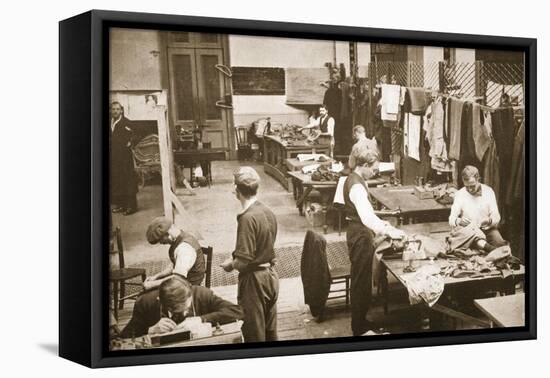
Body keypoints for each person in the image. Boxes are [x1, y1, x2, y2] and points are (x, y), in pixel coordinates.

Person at [343, 144, 405, 336]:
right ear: (364, 165)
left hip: (359, 231)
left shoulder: (355, 179)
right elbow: (367, 218)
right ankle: (359, 327)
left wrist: (384, 225)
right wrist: (391, 232)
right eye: (374, 168)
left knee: (362, 280)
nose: (375, 172)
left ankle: (362, 319)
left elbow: (369, 214)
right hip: (360, 235)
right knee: (361, 281)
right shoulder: (356, 186)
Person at [221, 167, 279, 342]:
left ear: (237, 191)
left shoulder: (247, 218)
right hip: (270, 277)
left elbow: (243, 261)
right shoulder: (267, 211)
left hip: (254, 282)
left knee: (254, 334)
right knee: (270, 332)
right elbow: (265, 245)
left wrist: (230, 265)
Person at [120, 276, 243, 338]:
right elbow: (123, 337)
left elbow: (238, 311)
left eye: (187, 308)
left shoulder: (201, 294)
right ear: (161, 302)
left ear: (190, 294)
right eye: (177, 310)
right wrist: (149, 331)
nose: (184, 314)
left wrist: (200, 319)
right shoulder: (146, 303)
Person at [448, 165, 507, 250]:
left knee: (501, 245)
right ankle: (489, 249)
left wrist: (489, 221)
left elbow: (496, 216)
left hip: (487, 229)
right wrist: (458, 221)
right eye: (467, 187)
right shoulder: (460, 194)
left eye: (472, 186)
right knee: (474, 243)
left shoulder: (488, 191)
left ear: (478, 179)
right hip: (469, 231)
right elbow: (451, 218)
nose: (470, 190)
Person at [145, 216, 206, 288]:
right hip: (182, 282)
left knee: (147, 297)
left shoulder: (184, 248)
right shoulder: (180, 238)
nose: (161, 243)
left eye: (160, 240)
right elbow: (174, 266)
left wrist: (153, 284)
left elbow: (178, 278)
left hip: (189, 288)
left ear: (168, 235)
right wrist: (156, 276)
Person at [110, 101, 138, 215]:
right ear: (111, 111)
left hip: (125, 158)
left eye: (117, 109)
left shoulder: (126, 122)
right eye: (113, 109)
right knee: (118, 181)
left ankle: (132, 207)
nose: (115, 111)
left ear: (121, 110)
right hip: (114, 157)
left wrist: (131, 142)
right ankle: (122, 205)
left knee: (128, 180)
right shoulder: (111, 122)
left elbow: (136, 134)